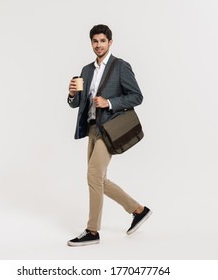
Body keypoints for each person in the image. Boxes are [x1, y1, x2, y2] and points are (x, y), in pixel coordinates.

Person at [67, 24, 152, 246]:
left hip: (110, 128)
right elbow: (78, 104)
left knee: (93, 176)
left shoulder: (121, 67)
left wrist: (110, 102)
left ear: (110, 42)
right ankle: (138, 210)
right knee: (100, 180)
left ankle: (92, 231)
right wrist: (72, 94)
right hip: (92, 128)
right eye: (95, 41)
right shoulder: (86, 70)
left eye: (102, 41)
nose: (98, 45)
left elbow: (137, 96)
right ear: (91, 43)